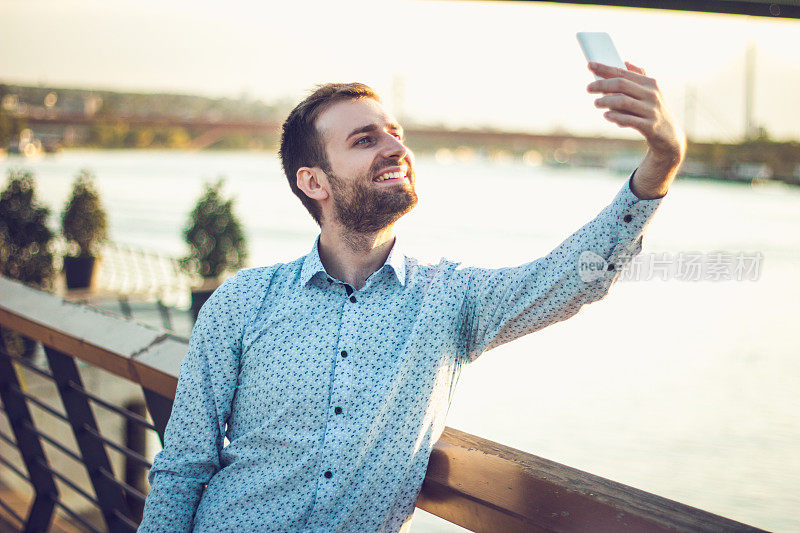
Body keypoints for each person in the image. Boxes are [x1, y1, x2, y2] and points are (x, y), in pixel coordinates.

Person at [138, 61, 686, 532]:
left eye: (395, 133)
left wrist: (661, 161)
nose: (396, 148)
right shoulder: (243, 302)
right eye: (365, 140)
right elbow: (184, 466)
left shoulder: (451, 301)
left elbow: (573, 278)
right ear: (314, 183)